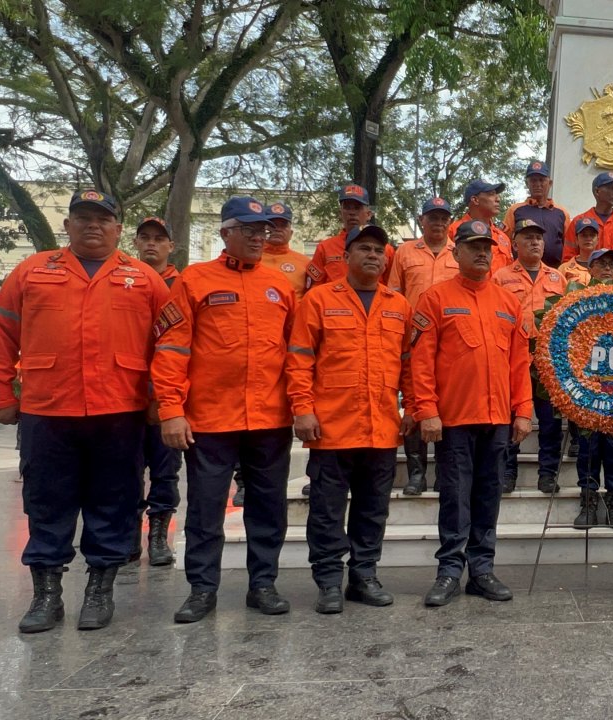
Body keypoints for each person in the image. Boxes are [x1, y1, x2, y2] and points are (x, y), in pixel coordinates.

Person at [0, 189, 168, 633]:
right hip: (49, 409)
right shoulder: (32, 271)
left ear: (118, 229)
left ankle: (99, 591)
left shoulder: (145, 279)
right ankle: (47, 596)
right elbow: (2, 333)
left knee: (115, 501)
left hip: (119, 410)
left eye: (103, 219)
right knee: (46, 500)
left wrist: (162, 399)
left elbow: (171, 345)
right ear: (67, 225)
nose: (93, 226)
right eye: (83, 218)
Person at [154, 196, 297, 623]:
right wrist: (170, 409)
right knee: (205, 507)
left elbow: (296, 353)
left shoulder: (280, 285)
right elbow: (172, 348)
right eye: (249, 230)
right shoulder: (194, 281)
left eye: (263, 230)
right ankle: (202, 589)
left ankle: (263, 584)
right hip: (211, 419)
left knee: (268, 506)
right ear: (225, 233)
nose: (258, 237)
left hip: (270, 418)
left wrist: (301, 405)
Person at [286, 225, 413, 613]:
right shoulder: (319, 299)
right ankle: (328, 581)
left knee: (373, 509)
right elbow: (300, 359)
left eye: (379, 251)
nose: (373, 256)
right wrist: (302, 409)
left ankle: (363, 576)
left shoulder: (399, 305)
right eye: (365, 249)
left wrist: (414, 407)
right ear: (346, 256)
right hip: (332, 428)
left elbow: (409, 364)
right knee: (327, 510)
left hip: (381, 427)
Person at [413, 220, 533, 607]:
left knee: (488, 496)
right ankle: (449, 571)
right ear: (457, 251)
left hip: (497, 419)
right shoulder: (434, 298)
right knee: (454, 496)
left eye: (487, 248)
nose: (482, 253)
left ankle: (481, 571)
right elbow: (421, 361)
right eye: (474, 247)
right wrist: (426, 410)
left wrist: (523, 410)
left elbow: (519, 363)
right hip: (453, 419)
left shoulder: (508, 303)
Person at [493, 219, 568, 494]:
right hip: (514, 358)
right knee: (511, 417)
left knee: (550, 421)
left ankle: (548, 473)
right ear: (515, 244)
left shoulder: (557, 278)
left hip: (548, 361)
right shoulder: (500, 277)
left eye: (538, 237)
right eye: (527, 237)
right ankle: (507, 472)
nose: (534, 242)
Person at [392, 197, 460, 496]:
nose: (438, 223)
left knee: (446, 402)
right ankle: (417, 473)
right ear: (422, 220)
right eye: (433, 217)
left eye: (444, 218)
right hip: (413, 339)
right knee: (416, 401)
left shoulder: (459, 252)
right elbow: (394, 293)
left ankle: (444, 473)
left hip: (451, 340)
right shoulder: (405, 252)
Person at [131, 216, 182, 565]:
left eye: (159, 239)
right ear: (135, 242)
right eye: (145, 237)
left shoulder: (182, 285)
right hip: (125, 394)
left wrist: (164, 396)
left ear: (170, 246)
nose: (152, 243)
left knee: (165, 469)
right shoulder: (123, 280)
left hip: (167, 395)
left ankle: (159, 534)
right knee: (126, 469)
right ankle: (128, 532)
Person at [570, 248, 613, 529]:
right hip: (588, 390)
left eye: (612, 264)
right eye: (601, 264)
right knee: (588, 448)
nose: (607, 268)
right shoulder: (577, 303)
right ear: (590, 268)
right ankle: (588, 502)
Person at [305, 185, 395, 289]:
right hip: (334, 299)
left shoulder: (386, 250)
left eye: (357, 208)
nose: (352, 213)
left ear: (369, 214)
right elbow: (314, 287)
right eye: (347, 207)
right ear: (340, 213)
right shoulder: (325, 248)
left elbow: (393, 287)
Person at [564, 172, 613, 285]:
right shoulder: (579, 222)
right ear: (597, 191)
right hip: (586, 286)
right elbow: (568, 258)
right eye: (611, 188)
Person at [502, 161, 570, 268]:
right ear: (527, 184)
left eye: (541, 180)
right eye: (533, 180)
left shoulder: (561, 212)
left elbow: (569, 246)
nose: (537, 184)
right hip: (521, 270)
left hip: (555, 271)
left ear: (550, 183)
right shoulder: (515, 210)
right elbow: (504, 243)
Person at [448, 179, 513, 276]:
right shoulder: (452, 231)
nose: (498, 199)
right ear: (475, 200)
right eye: (491, 194)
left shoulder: (503, 237)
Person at [262, 201, 310, 299]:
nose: (277, 229)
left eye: (283, 225)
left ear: (291, 233)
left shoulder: (305, 263)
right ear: (262, 229)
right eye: (272, 224)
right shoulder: (250, 259)